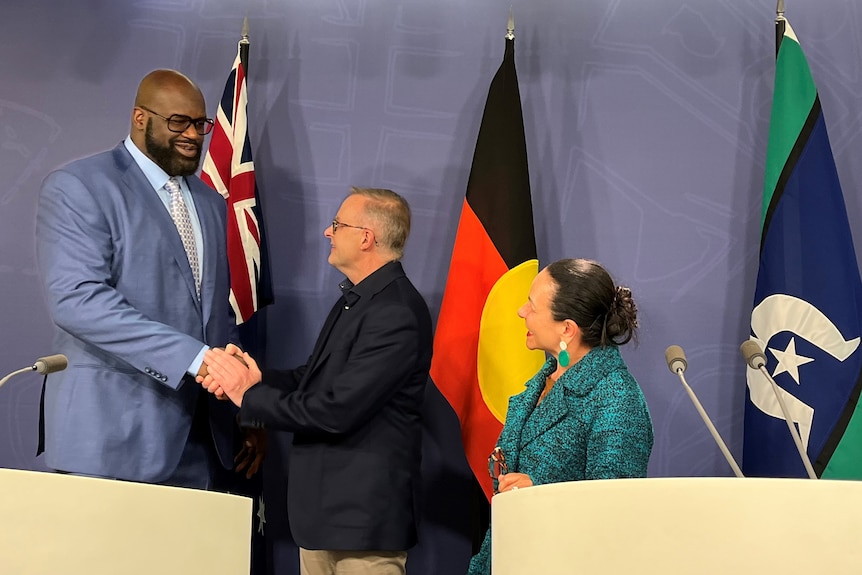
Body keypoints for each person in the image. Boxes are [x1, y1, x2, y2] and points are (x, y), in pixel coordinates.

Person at [35, 69, 252, 489]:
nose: (193, 134)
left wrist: (246, 406)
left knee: (187, 557)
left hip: (201, 440)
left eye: (200, 124)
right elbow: (79, 301)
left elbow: (214, 314)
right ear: (140, 118)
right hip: (110, 435)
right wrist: (196, 359)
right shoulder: (79, 187)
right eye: (178, 122)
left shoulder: (210, 203)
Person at [201, 187, 432, 575]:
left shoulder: (396, 313)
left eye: (338, 224)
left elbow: (337, 410)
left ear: (365, 238)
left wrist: (248, 396)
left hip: (362, 527)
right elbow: (313, 377)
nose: (328, 232)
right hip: (326, 519)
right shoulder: (359, 300)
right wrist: (258, 377)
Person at [468, 258, 654, 575]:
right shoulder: (540, 384)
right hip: (508, 557)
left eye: (532, 305)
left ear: (567, 328)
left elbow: (613, 511)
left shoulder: (616, 397)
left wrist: (541, 494)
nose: (521, 312)